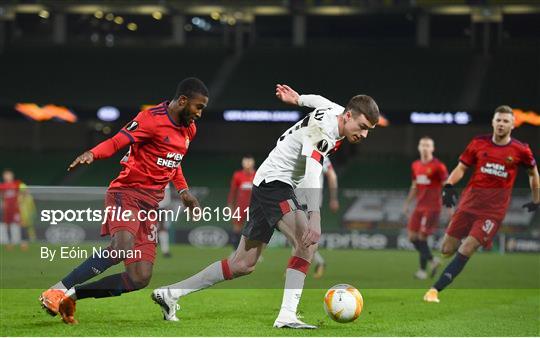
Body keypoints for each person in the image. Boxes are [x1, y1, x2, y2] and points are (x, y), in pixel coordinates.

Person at [152, 84, 379, 329]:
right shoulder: (323, 131)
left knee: (242, 264)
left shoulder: (335, 111)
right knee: (307, 243)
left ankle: (171, 293)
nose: (364, 135)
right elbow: (312, 172)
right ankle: (287, 315)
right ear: (348, 116)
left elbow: (319, 100)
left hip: (266, 182)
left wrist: (298, 99)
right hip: (275, 184)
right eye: (362, 127)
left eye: (369, 130)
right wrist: (315, 216)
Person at [39, 77, 209, 324]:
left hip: (150, 205)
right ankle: (56, 289)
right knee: (120, 248)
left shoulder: (189, 130)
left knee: (139, 277)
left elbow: (174, 161)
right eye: (198, 107)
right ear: (183, 100)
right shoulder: (150, 119)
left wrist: (183, 192)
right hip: (126, 193)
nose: (199, 114)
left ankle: (72, 297)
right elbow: (117, 141)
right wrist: (92, 153)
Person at [424, 105, 539, 303]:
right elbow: (461, 168)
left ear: (513, 125)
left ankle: (434, 290)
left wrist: (537, 199)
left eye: (505, 121)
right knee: (446, 248)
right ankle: (441, 260)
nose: (501, 124)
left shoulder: (521, 150)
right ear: (493, 122)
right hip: (468, 204)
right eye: (498, 120)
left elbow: (533, 174)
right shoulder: (478, 143)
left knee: (468, 247)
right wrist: (449, 184)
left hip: (492, 212)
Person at [402, 137, 448, 279]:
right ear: (419, 147)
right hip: (419, 206)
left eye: (428, 145)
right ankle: (432, 260)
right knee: (412, 237)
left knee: (422, 237)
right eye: (423, 145)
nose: (425, 147)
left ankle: (422, 271)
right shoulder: (415, 165)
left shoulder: (438, 166)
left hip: (432, 207)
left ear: (432, 148)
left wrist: (448, 205)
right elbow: (415, 185)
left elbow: (447, 185)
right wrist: (407, 203)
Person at [295, 156, 340, 279]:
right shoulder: (299, 151)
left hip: (307, 202)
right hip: (300, 201)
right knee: (299, 236)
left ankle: (315, 263)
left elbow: (332, 175)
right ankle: (298, 267)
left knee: (301, 236)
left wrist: (334, 198)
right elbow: (332, 175)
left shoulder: (319, 153)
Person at [227, 155, 256, 249]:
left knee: (254, 229)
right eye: (246, 162)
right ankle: (235, 251)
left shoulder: (257, 175)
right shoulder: (237, 175)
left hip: (254, 206)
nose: (247, 164)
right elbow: (233, 191)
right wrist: (230, 206)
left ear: (253, 163)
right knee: (237, 228)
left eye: (249, 162)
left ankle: (254, 253)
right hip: (240, 206)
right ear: (243, 163)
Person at [0, 169, 23, 249]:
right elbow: (2, 195)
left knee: (16, 224)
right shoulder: (2, 186)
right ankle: (4, 241)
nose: (7, 176)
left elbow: (23, 192)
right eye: (6, 175)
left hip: (15, 208)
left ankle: (16, 241)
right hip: (6, 209)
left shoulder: (17, 184)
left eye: (9, 175)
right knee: (4, 224)